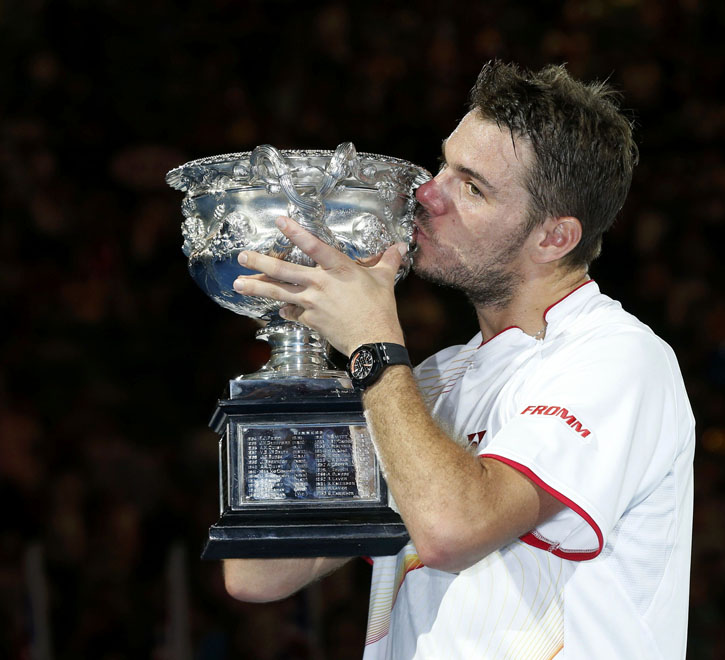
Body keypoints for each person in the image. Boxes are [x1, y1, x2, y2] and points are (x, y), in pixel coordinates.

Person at [224, 61, 695, 659]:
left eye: (471, 186)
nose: (426, 192)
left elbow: (451, 529)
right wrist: (302, 355)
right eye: (443, 163)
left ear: (554, 238)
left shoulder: (618, 359)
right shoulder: (427, 381)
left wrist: (372, 341)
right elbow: (259, 571)